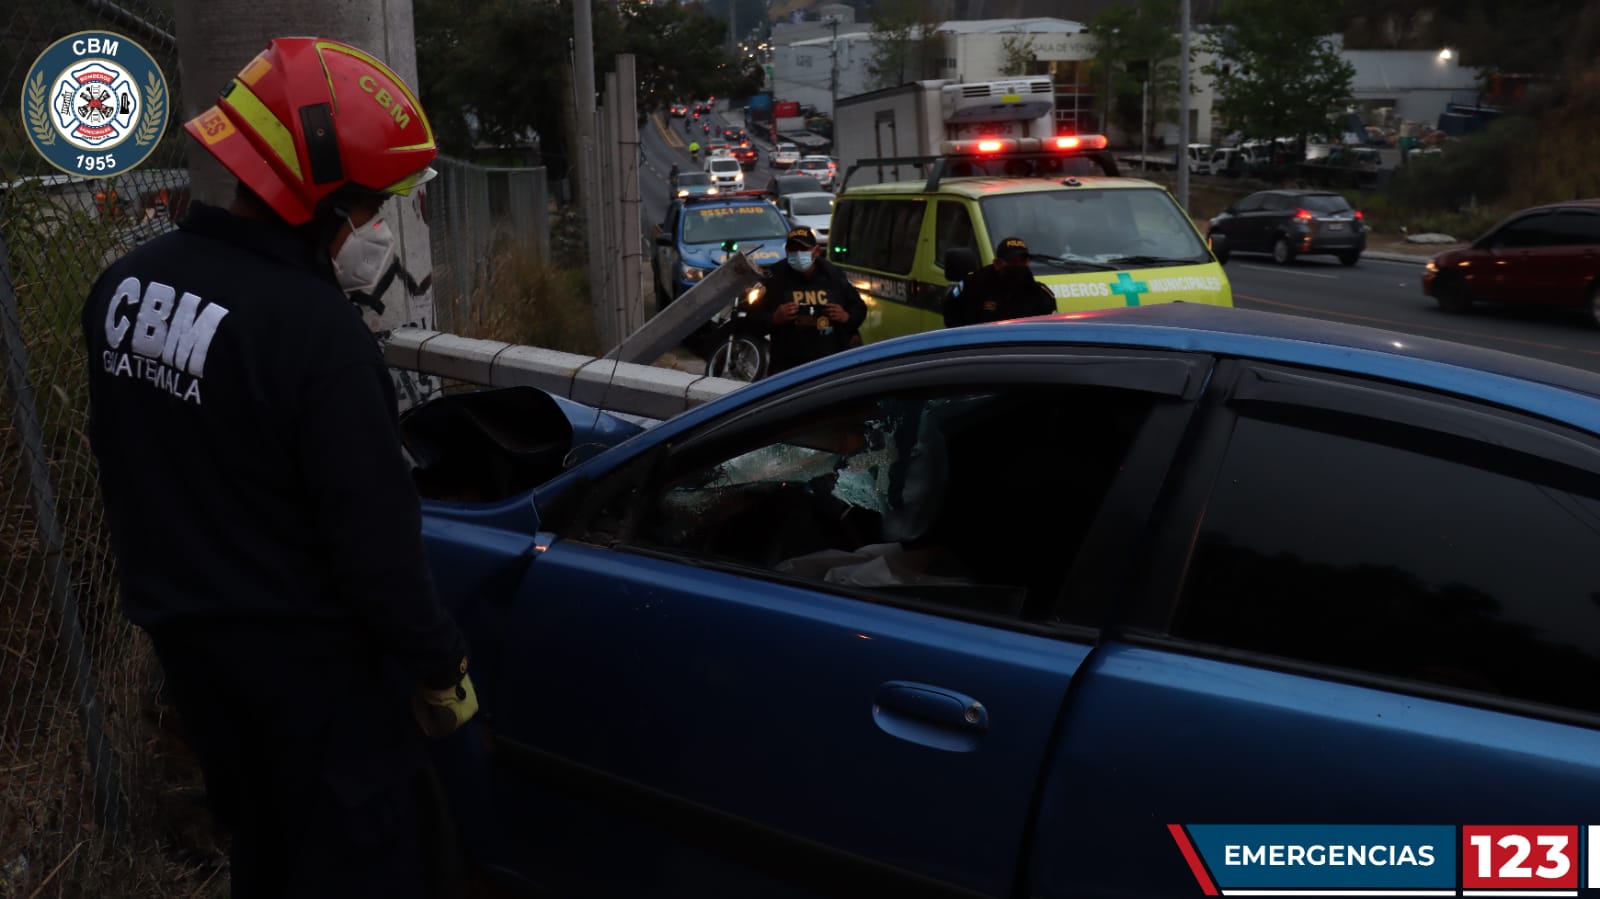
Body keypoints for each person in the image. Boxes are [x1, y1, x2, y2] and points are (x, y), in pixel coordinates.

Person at [80, 37, 475, 899]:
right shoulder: (316, 337)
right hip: (317, 683)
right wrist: (440, 667)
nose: (372, 227)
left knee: (263, 846)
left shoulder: (123, 289)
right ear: (322, 197)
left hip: (195, 661)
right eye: (369, 207)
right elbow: (376, 546)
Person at [747, 227, 867, 375]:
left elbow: (859, 308)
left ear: (816, 251)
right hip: (788, 367)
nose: (798, 254)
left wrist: (846, 317)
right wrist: (774, 318)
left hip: (830, 364)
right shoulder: (774, 278)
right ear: (786, 252)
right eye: (793, 249)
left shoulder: (833, 275)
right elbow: (750, 319)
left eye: (803, 249)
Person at [941, 235, 1058, 327]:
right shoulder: (974, 286)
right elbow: (952, 318)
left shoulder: (1039, 294)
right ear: (997, 263)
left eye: (1022, 261)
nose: (1017, 266)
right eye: (1012, 261)